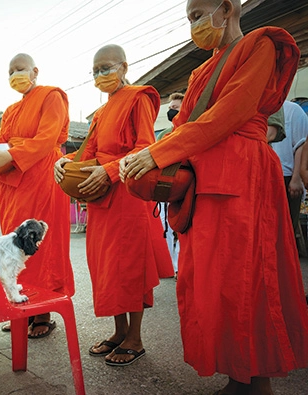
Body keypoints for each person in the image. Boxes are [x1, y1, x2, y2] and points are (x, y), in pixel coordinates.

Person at [121, 0, 308, 393]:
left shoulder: (260, 45)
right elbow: (187, 125)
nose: (194, 25)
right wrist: (133, 160)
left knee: (249, 278)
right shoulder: (200, 70)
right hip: (204, 179)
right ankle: (235, 375)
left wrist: (157, 152)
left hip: (244, 175)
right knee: (213, 282)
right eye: (189, 18)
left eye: (196, 15)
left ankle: (258, 384)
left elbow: (231, 113)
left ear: (226, 9)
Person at [54, 44, 173, 366]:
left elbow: (145, 147)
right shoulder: (102, 112)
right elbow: (87, 151)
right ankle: (118, 332)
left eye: (105, 68)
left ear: (123, 66)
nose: (100, 75)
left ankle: (135, 337)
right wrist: (63, 162)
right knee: (106, 269)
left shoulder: (140, 97)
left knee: (130, 269)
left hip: (127, 193)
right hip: (101, 199)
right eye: (95, 71)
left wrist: (108, 171)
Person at [0, 53, 74, 338]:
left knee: (40, 247)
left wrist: (11, 153)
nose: (15, 74)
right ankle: (19, 305)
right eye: (11, 71)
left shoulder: (51, 96)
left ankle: (42, 314)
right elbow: (0, 146)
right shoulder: (10, 111)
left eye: (20, 69)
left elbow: (48, 139)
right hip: (12, 187)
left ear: (35, 71)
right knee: (12, 249)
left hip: (41, 180)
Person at [271, 101, 308, 251]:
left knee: (285, 231)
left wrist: (296, 178)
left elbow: (301, 146)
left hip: (287, 176)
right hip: (266, 175)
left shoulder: (294, 110)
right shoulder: (260, 107)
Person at [157, 92, 184, 278]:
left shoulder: (190, 130)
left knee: (182, 228)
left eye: (175, 108)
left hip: (184, 186)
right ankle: (168, 265)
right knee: (165, 227)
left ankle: (180, 266)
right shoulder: (164, 134)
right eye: (169, 109)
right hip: (166, 186)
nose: (171, 111)